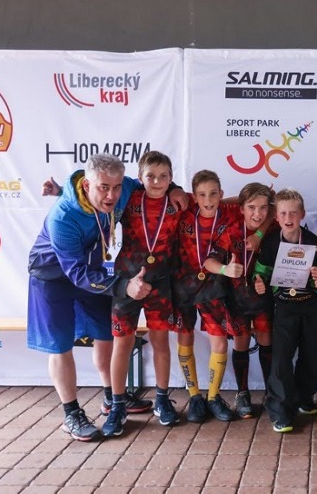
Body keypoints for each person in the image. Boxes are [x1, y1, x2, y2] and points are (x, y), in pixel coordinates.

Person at [27, 153, 186, 441]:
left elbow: (151, 182)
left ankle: (113, 398)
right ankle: (71, 413)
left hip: (94, 272)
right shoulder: (62, 217)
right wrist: (124, 286)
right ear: (87, 185)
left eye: (116, 187)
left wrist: (175, 189)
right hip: (53, 275)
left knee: (106, 335)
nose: (112, 195)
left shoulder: (123, 188)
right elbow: (75, 273)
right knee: (60, 345)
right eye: (104, 188)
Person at [102, 151, 182, 437]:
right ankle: (117, 405)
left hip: (161, 280)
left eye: (163, 177)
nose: (157, 182)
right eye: (150, 176)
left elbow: (212, 202)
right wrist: (59, 190)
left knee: (161, 341)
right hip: (126, 278)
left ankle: (162, 399)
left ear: (171, 178)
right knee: (122, 343)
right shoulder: (128, 198)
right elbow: (95, 194)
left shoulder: (179, 202)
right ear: (139, 178)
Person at [172, 170, 255, 423]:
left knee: (219, 342)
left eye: (213, 194)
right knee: (185, 338)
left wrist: (258, 230)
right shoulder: (185, 209)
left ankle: (213, 396)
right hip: (183, 284)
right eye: (202, 195)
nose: (208, 200)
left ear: (221, 193)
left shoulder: (229, 213)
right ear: (193, 196)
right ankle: (195, 397)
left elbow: (262, 206)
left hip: (214, 285)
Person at [254, 188, 317, 433]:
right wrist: (258, 281)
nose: (288, 218)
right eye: (283, 213)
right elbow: (260, 272)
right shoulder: (272, 243)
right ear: (276, 216)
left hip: (312, 305)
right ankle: (281, 411)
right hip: (284, 306)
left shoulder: (315, 243)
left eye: (293, 213)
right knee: (282, 358)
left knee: (312, 355)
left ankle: (304, 396)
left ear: (302, 214)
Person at [205, 183, 275, 419]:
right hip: (237, 300)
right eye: (252, 207)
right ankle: (242, 393)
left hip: (264, 298)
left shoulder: (274, 228)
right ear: (241, 208)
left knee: (267, 341)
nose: (258, 214)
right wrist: (225, 269)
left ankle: (271, 393)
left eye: (263, 208)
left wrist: (267, 279)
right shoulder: (231, 231)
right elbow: (208, 262)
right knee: (241, 343)